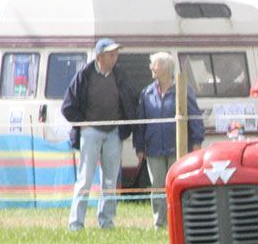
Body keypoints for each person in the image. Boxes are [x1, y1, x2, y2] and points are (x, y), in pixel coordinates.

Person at [61, 38, 138, 231]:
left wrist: (125, 126)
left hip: (113, 134)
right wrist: (82, 123)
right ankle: (76, 224)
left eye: (116, 54)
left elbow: (131, 101)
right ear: (100, 56)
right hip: (91, 133)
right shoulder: (84, 74)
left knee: (110, 180)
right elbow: (67, 106)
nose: (115, 57)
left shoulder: (120, 76)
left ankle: (107, 222)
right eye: (111, 54)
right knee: (85, 180)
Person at [132, 52, 205, 229]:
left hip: (178, 148)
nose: (151, 68)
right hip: (154, 149)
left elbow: (195, 116)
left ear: (166, 68)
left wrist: (196, 142)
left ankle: (180, 222)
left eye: (154, 65)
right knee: (157, 186)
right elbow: (141, 122)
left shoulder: (183, 90)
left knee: (178, 184)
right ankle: (160, 223)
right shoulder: (147, 93)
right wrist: (139, 146)